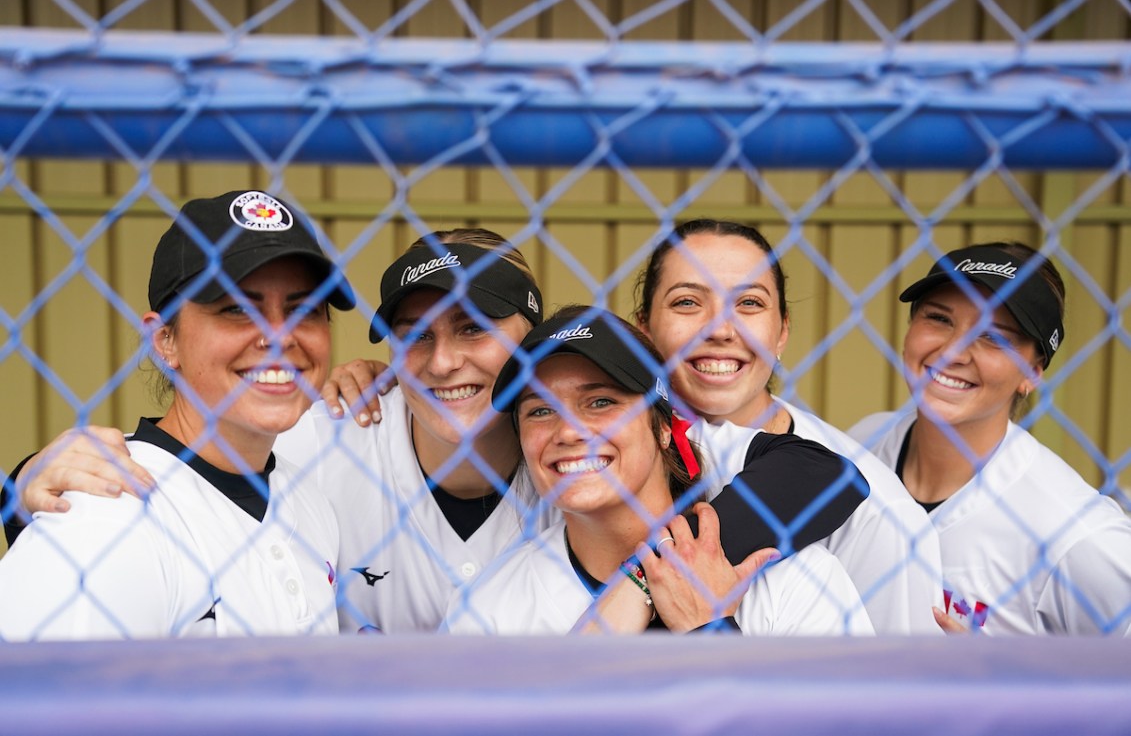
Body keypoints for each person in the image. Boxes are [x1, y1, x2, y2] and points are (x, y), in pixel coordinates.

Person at [8, 230, 869, 634]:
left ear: (527, 344)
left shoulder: (599, 441)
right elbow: (207, 463)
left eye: (474, 329)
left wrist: (657, 573)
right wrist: (21, 486)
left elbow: (819, 471)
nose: (445, 359)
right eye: (417, 334)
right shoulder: (335, 432)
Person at [0, 189, 355, 639]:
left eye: (304, 308)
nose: (278, 336)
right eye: (237, 310)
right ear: (165, 339)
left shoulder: (311, 504)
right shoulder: (108, 508)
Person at [444, 306, 873, 636]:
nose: (569, 431)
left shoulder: (795, 578)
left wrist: (695, 621)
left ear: (664, 428)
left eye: (601, 402)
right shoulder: (488, 613)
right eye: (540, 410)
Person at [634, 219, 943, 634]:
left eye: (749, 304)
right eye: (688, 302)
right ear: (643, 330)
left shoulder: (880, 513)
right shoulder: (594, 455)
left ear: (782, 333)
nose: (720, 329)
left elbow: (901, 683)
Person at [849, 242, 1131, 635]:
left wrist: (1005, 682)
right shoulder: (861, 447)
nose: (953, 351)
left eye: (995, 337)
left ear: (1032, 373)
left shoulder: (1075, 534)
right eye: (939, 319)